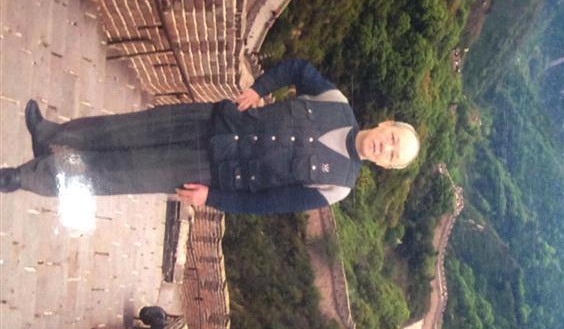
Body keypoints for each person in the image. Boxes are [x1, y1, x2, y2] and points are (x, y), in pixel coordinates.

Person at [1, 59, 420, 215]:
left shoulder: (338, 187)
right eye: (392, 139)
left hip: (211, 171)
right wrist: (260, 88)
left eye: (392, 155)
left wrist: (212, 198)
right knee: (125, 128)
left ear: (385, 166)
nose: (385, 147)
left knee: (122, 173)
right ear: (386, 124)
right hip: (213, 122)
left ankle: (29, 178)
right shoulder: (336, 102)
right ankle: (50, 135)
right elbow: (297, 69)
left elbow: (268, 203)